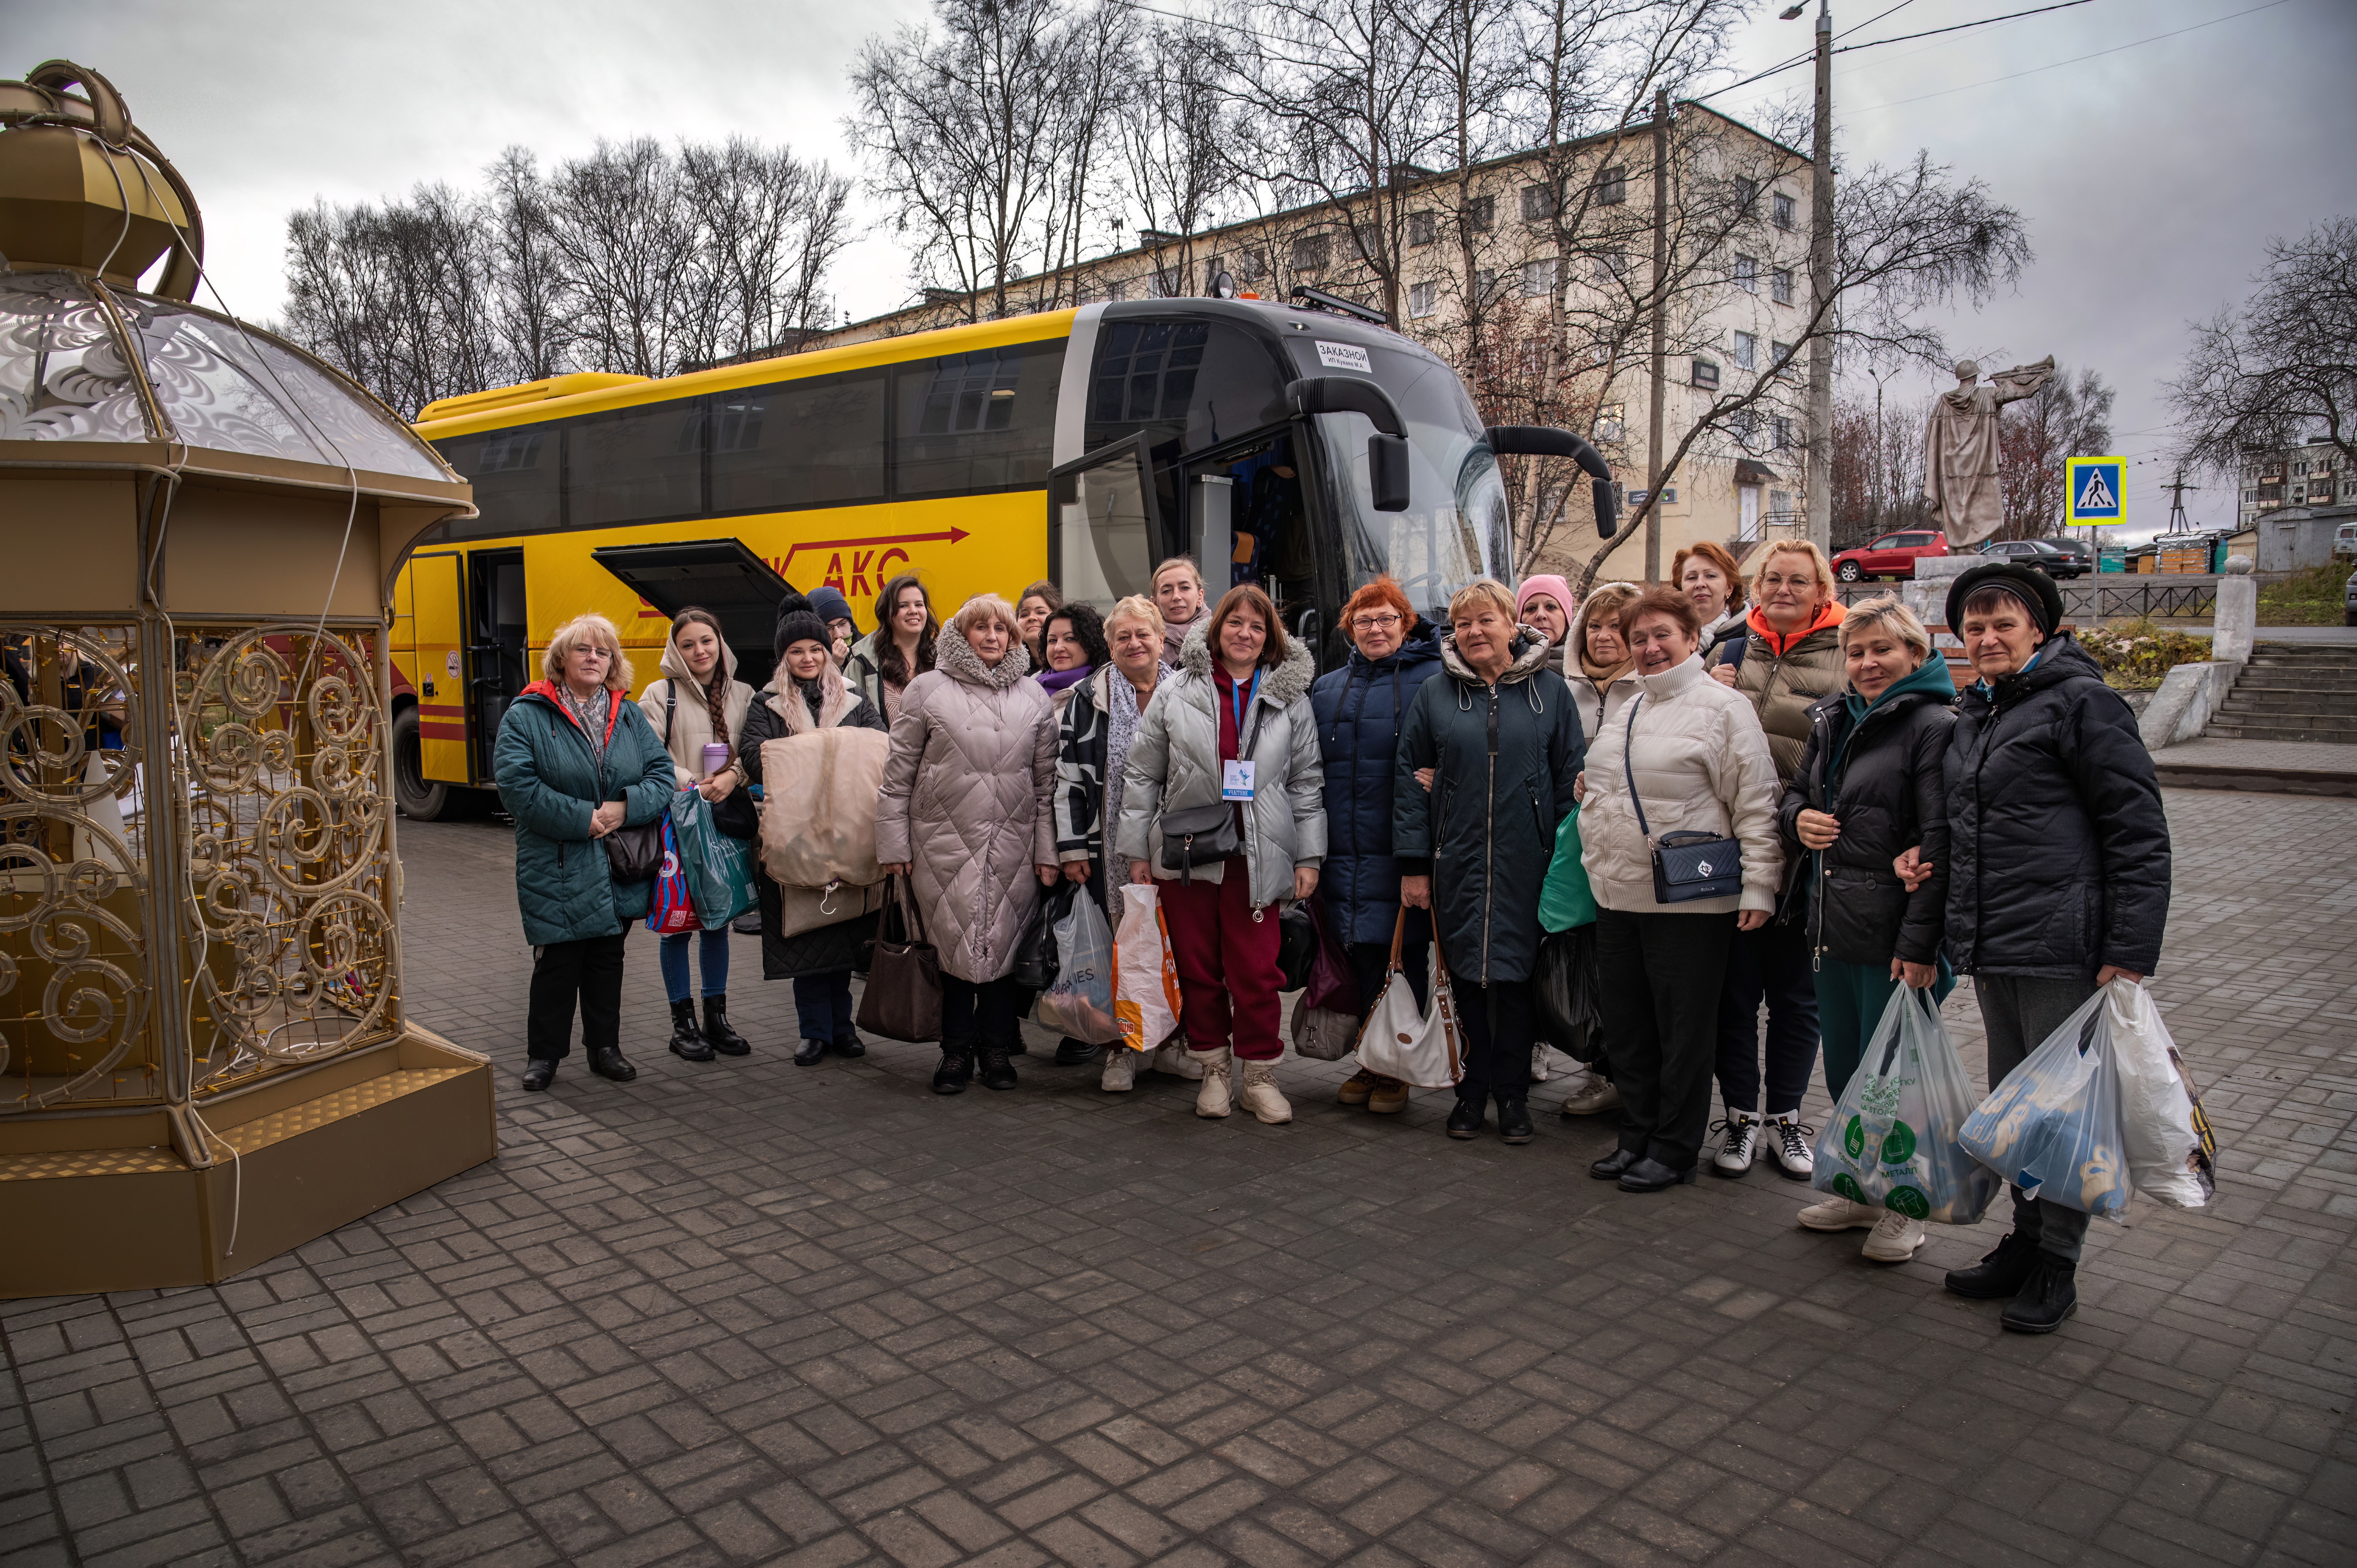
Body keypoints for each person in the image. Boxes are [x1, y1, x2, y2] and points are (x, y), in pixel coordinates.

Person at [1896, 562, 2170, 1333]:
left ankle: (2058, 1264)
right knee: (2020, 1110)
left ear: (2040, 629)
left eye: (2002, 624)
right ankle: (2023, 1240)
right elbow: (1953, 833)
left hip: (2064, 946)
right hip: (1995, 943)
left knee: (2064, 1117)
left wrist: (2129, 948)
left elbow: (2137, 830)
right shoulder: (1977, 713)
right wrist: (1923, 894)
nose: (1985, 638)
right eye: (1973, 627)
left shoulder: (2084, 704)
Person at [1577, 588, 1781, 1191]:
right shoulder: (1629, 705)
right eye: (1638, 638)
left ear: (1694, 639)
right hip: (1618, 894)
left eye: (1662, 634)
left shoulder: (1723, 708)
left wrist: (1760, 886)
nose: (1649, 647)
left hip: (1689, 901)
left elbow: (1756, 801)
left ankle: (1673, 1149)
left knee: (1683, 1031)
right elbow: (1613, 785)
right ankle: (1637, 1137)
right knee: (1630, 1029)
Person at [1779, 596, 1957, 1263]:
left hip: (1894, 937)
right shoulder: (1832, 716)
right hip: (1833, 924)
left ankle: (1905, 1208)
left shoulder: (1933, 725)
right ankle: (1860, 1191)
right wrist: (1798, 820)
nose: (1866, 662)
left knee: (1896, 1082)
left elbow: (1940, 839)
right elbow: (1794, 795)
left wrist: (1920, 946)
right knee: (1851, 1071)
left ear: (1914, 652)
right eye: (1855, 652)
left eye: (1881, 648)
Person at [1118, 584, 1325, 1125]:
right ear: (1218, 630)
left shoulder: (1289, 697)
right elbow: (1143, 774)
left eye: (1257, 627)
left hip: (1259, 855)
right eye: (1236, 623)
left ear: (1269, 639)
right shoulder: (1176, 690)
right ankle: (1213, 1071)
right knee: (1199, 969)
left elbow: (1306, 782)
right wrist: (1138, 850)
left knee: (1257, 972)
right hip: (1188, 855)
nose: (1245, 633)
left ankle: (1258, 1076)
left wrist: (1310, 858)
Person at [1395, 579, 1584, 1143]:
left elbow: (1567, 785)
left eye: (1486, 621)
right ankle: (1472, 1093)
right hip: (1457, 861)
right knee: (1467, 982)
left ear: (1512, 625)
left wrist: (1559, 864)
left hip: (1529, 865)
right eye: (1463, 624)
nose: (1474, 632)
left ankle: (1515, 1097)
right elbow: (1409, 781)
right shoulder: (1434, 694)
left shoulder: (1551, 693)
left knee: (1519, 982)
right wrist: (1414, 865)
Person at [877, 594, 1059, 1095]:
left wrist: (1048, 852)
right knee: (952, 949)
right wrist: (894, 846)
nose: (993, 637)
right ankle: (955, 1052)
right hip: (941, 844)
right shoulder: (925, 690)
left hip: (1014, 845)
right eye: (981, 628)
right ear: (962, 634)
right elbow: (897, 778)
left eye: (1002, 630)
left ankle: (997, 1049)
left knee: (1002, 948)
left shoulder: (1034, 697)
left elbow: (1046, 785)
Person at [1707, 539, 1847, 1181]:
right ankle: (1738, 1115)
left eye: (1798, 579)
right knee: (1732, 995)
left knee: (1796, 998)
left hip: (1807, 857)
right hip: (1731, 854)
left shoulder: (1850, 654)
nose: (1783, 589)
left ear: (1822, 590)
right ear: (1756, 587)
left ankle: (1786, 1119)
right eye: (1772, 578)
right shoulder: (1729, 651)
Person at [494, 613, 676, 1091]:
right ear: (561, 659)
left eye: (603, 651)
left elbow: (661, 776)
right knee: (557, 960)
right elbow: (516, 787)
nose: (594, 657)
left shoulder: (629, 714)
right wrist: (583, 818)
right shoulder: (528, 714)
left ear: (613, 662)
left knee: (606, 957)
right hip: (557, 859)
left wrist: (622, 807)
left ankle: (605, 1048)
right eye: (583, 649)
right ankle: (544, 1056)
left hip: (618, 860)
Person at [1309, 576, 1444, 1114]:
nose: (1375, 629)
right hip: (1343, 848)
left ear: (1406, 624)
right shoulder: (1326, 688)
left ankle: (1398, 1068)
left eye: (1387, 618)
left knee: (1404, 957)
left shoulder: (1434, 681)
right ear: (1350, 628)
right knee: (1361, 956)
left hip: (1402, 849)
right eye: (1364, 620)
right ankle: (1370, 1059)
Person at [740, 594, 888, 1066]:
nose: (808, 658)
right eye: (797, 651)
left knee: (844, 936)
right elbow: (752, 756)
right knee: (805, 937)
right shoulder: (767, 703)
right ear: (784, 656)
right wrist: (822, 751)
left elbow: (878, 749)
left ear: (828, 651)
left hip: (850, 834)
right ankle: (814, 1031)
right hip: (795, 836)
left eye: (816, 649)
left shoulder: (857, 700)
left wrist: (812, 749)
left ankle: (843, 1027)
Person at [1052, 595, 1189, 1090]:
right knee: (1120, 947)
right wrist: (1070, 850)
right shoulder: (1088, 698)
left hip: (1178, 843)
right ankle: (1120, 1052)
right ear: (1110, 644)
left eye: (1143, 634)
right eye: (1123, 636)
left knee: (1175, 944)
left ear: (1161, 639)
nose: (1135, 643)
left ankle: (1175, 1044)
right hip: (1104, 846)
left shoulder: (1188, 692)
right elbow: (1067, 778)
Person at [637, 608, 757, 1063]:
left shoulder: (744, 694)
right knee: (677, 926)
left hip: (725, 823)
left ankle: (717, 1019)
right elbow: (648, 753)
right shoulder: (659, 693)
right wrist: (690, 779)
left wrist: (733, 777)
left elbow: (756, 749)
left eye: (706, 641)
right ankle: (682, 1025)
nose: (699, 651)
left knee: (718, 923)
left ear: (719, 642)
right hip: (679, 826)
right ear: (675, 650)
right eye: (687, 644)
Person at [1551, 581, 1644, 1119]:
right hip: (1575, 845)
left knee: (1629, 968)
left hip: (1637, 852)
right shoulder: (1558, 687)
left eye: (1618, 627)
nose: (1605, 636)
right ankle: (1598, 1070)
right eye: (1597, 626)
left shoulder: (1653, 688)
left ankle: (1630, 1077)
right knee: (1588, 961)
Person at [846, 574, 936, 724]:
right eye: (903, 606)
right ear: (888, 614)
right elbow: (849, 722)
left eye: (919, 605)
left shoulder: (942, 659)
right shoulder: (863, 663)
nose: (913, 611)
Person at [1674, 541, 1748, 667]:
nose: (1700, 584)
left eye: (1711, 576)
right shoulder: (1666, 635)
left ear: (1729, 588)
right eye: (1692, 578)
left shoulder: (1751, 636)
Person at [1038, 602, 1108, 716]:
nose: (1058, 648)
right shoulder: (1028, 687)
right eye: (1052, 640)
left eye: (1070, 639)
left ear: (1091, 643)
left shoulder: (1105, 691)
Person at [1152, 556, 1209, 666]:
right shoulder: (1142, 645)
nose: (1176, 597)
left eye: (1185, 588)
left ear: (1200, 597)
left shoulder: (1219, 637)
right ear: (1155, 604)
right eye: (1167, 591)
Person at [1515, 574, 1576, 675]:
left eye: (1551, 607)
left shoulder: (1590, 669)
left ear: (1566, 617)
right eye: (1531, 609)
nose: (1541, 615)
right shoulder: (1501, 670)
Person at [804, 585, 862, 668]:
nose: (838, 635)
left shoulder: (868, 652)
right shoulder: (804, 660)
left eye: (843, 624)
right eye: (828, 628)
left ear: (850, 623)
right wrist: (833, 664)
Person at [1015, 579, 1064, 669]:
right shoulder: (1007, 671)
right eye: (1024, 615)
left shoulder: (1073, 664)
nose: (1031, 618)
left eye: (1041, 612)